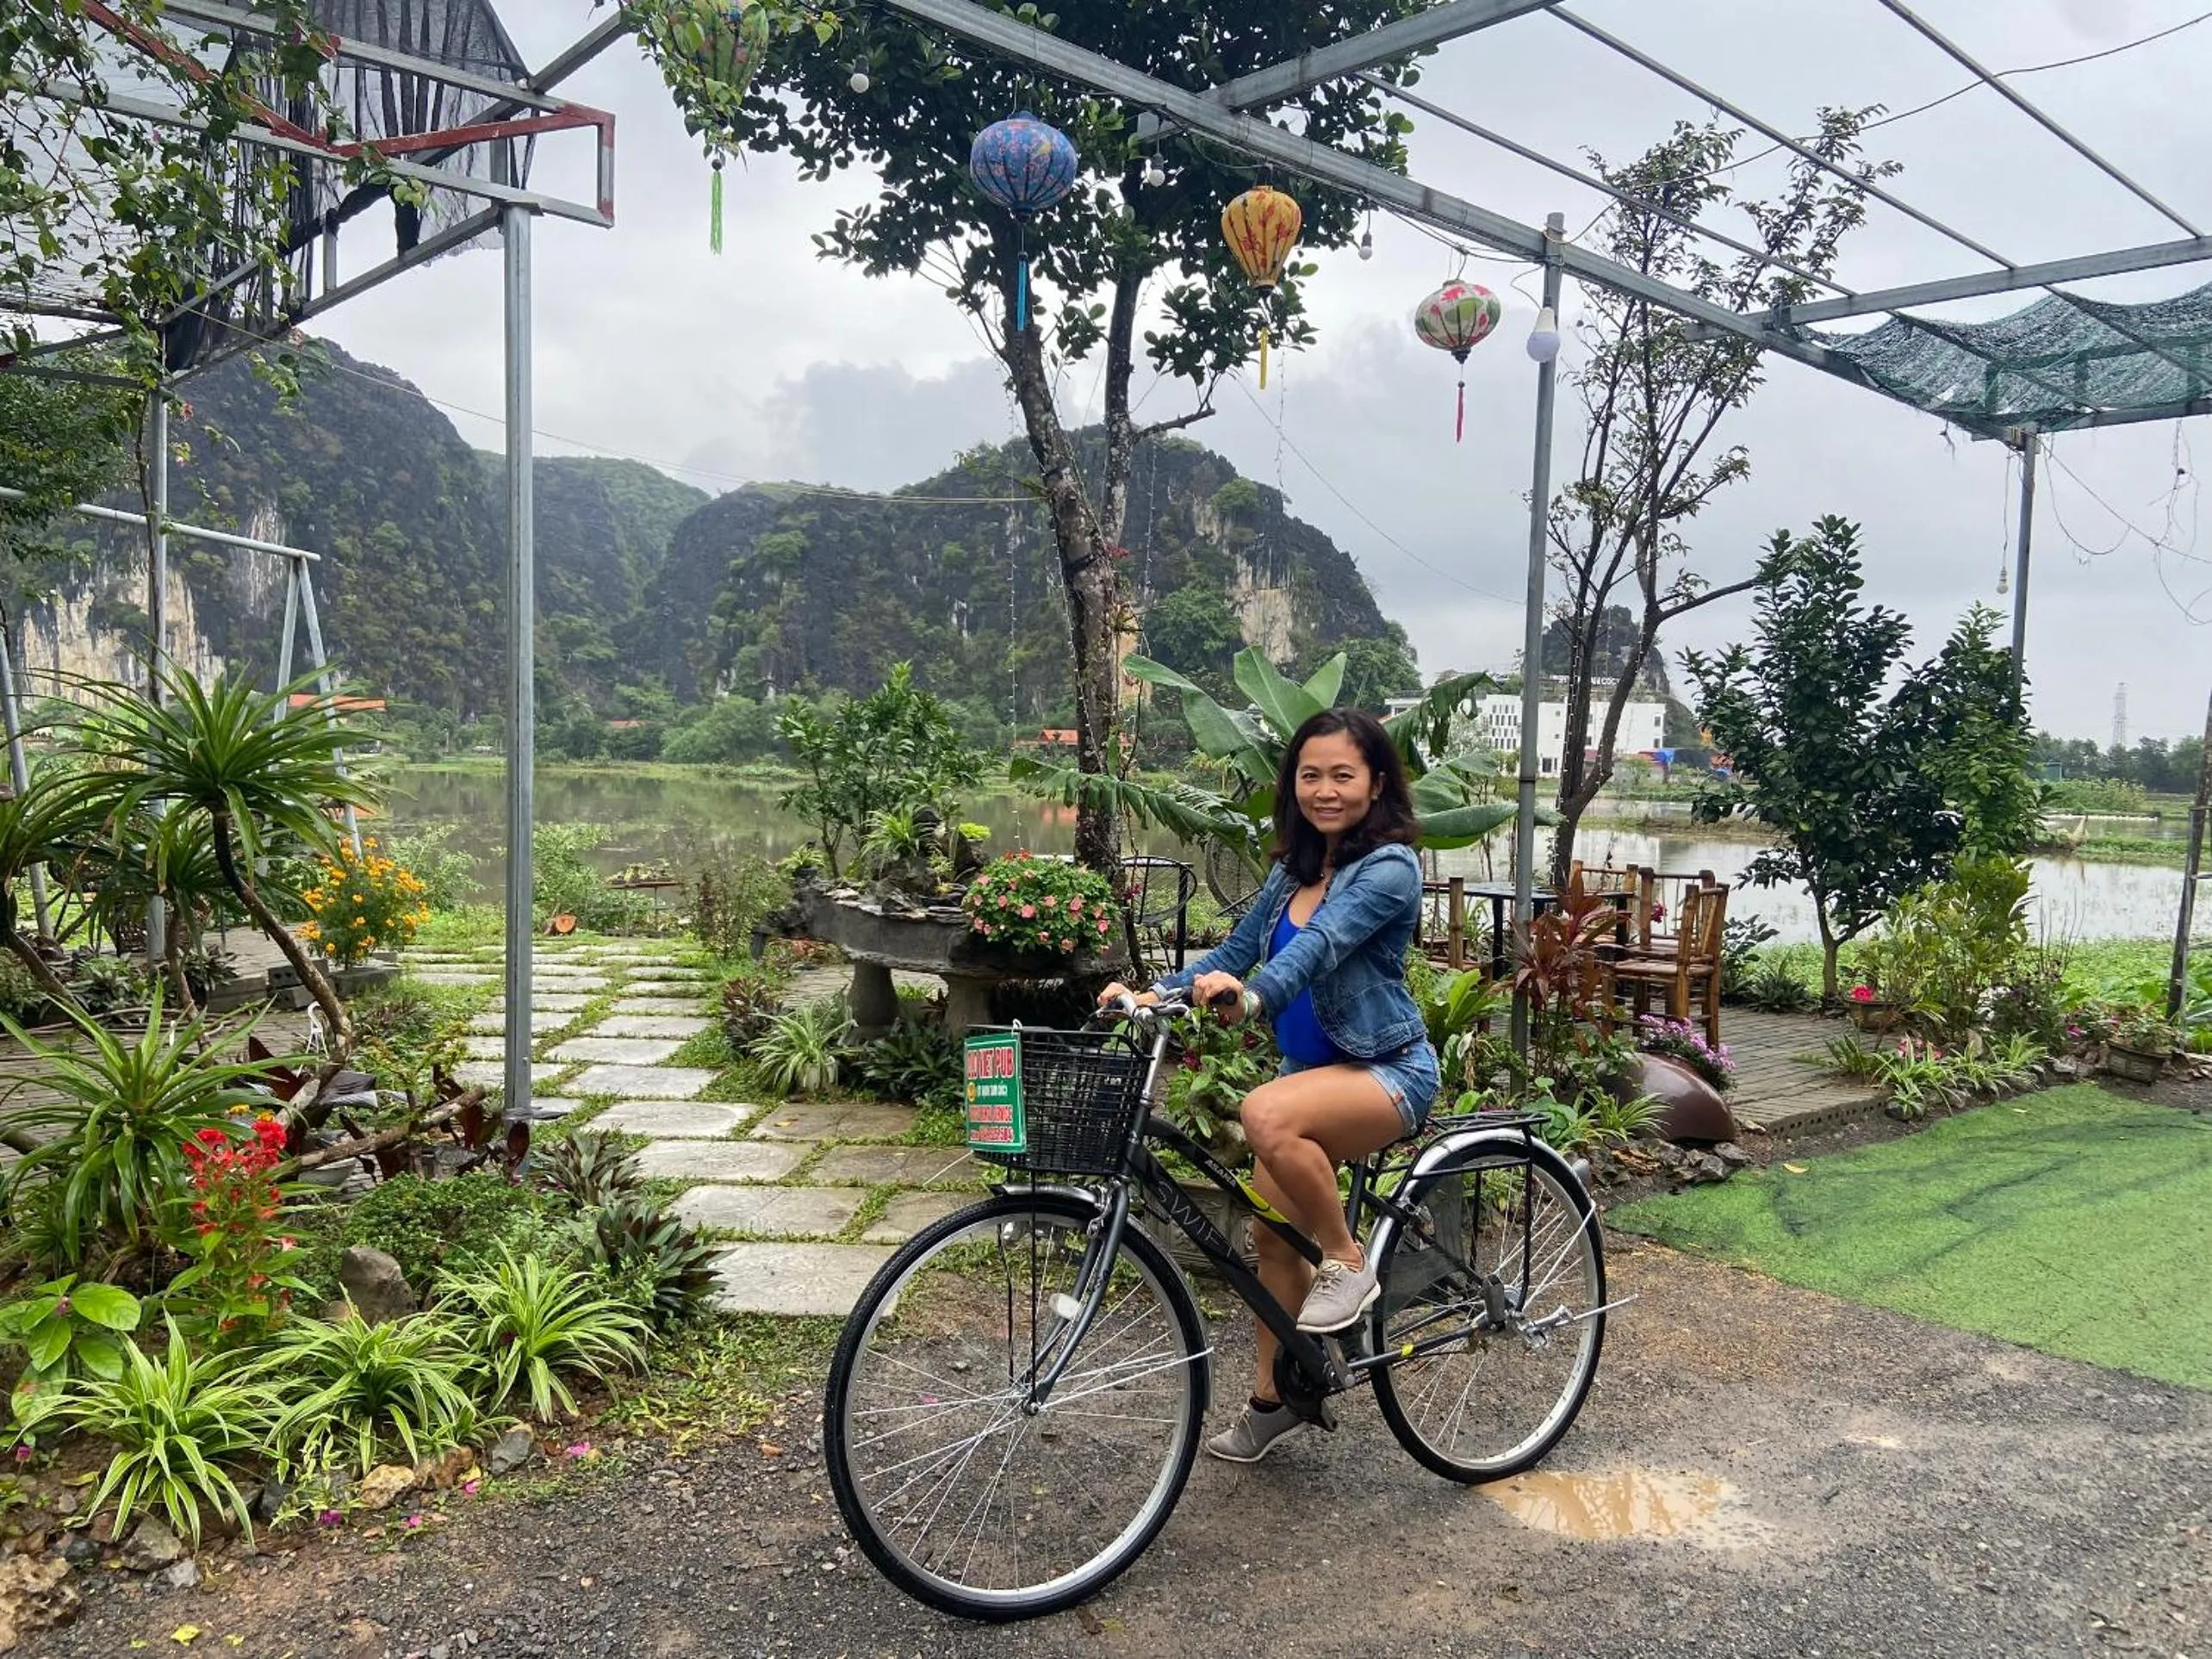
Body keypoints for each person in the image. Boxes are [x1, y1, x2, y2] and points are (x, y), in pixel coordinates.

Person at [1097, 707, 1440, 1463]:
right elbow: (1239, 946)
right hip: (1309, 1076)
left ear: (1375, 782)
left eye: (1342, 775)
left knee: (1265, 1114)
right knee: (1269, 1244)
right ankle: (1273, 1401)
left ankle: (1348, 1263)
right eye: (1310, 775)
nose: (1324, 790)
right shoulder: (1295, 868)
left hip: (1387, 1072)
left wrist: (1253, 999)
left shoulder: (1388, 868)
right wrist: (1158, 992)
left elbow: (1318, 949)